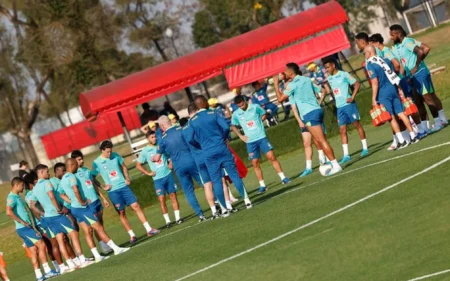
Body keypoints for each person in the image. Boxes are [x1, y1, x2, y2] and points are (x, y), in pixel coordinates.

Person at [273, 63, 343, 176]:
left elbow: (280, 99)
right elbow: (322, 90)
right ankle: (327, 162)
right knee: (319, 140)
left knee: (321, 140)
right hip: (317, 110)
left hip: (309, 113)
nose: (284, 73)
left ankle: (335, 165)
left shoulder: (292, 84)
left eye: (286, 71)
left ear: (291, 72)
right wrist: (319, 102)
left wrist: (276, 85)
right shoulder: (306, 79)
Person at [185, 95, 253, 209]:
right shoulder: (213, 113)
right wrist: (224, 137)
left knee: (216, 181)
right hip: (221, 147)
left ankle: (224, 209)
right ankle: (247, 200)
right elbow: (226, 127)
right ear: (203, 103)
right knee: (234, 175)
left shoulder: (193, 121)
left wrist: (200, 145)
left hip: (208, 152)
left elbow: (189, 139)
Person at [60, 158, 130, 261]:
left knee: (88, 231)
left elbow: (62, 194)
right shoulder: (71, 177)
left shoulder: (63, 179)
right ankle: (116, 249)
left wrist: (72, 202)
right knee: (98, 227)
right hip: (82, 208)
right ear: (72, 165)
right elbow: (75, 190)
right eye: (76, 164)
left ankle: (97, 256)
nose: (77, 167)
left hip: (75, 208)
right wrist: (81, 202)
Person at [91, 140, 160, 244]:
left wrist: (127, 178)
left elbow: (123, 166)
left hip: (124, 187)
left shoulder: (116, 156)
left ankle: (149, 229)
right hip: (113, 191)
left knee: (136, 206)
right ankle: (132, 235)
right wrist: (103, 186)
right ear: (102, 150)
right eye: (107, 152)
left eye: (110, 151)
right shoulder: (97, 163)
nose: (110, 154)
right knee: (122, 213)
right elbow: (92, 177)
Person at [369, 32, 428, 146]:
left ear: (376, 43)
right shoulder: (380, 55)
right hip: (394, 82)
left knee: (408, 105)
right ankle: (411, 134)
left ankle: (421, 129)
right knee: (402, 109)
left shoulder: (386, 52)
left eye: (372, 44)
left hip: (397, 82)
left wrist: (397, 77)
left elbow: (396, 64)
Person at [32, 164, 94, 269]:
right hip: (57, 215)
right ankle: (82, 260)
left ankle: (70, 264)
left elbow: (33, 205)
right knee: (73, 234)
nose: (49, 173)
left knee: (60, 240)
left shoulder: (35, 187)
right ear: (41, 172)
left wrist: (43, 213)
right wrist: (59, 208)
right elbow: (51, 196)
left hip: (48, 217)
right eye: (47, 171)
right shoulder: (47, 183)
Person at [389, 24, 448, 131]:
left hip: (420, 73)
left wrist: (417, 65)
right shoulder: (401, 44)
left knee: (427, 97)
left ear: (399, 33)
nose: (391, 37)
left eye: (392, 35)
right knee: (419, 100)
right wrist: (401, 77)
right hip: (412, 76)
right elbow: (404, 63)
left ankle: (439, 121)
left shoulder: (407, 42)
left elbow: (422, 51)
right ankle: (431, 124)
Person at [183, 104, 237, 216]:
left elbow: (188, 142)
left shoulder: (186, 126)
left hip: (198, 159)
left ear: (188, 114)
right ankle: (227, 206)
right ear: (197, 110)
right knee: (221, 181)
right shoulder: (199, 121)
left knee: (207, 185)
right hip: (209, 154)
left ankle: (214, 211)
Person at [151, 116, 208, 221]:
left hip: (179, 167)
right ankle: (216, 204)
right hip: (192, 161)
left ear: (162, 126)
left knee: (189, 191)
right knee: (205, 184)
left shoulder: (162, 139)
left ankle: (200, 215)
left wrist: (153, 158)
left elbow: (157, 157)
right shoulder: (181, 129)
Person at [231, 95, 290, 194]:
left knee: (272, 157)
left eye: (242, 105)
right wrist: (241, 136)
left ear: (245, 101)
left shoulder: (255, 107)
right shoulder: (236, 114)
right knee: (255, 163)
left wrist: (259, 122)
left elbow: (264, 114)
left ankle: (283, 178)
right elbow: (233, 126)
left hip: (261, 137)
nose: (242, 107)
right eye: (239, 106)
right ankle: (262, 185)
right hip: (250, 141)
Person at [364, 45, 419, 148]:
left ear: (369, 52)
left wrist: (373, 98)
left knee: (391, 117)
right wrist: (399, 88)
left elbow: (374, 82)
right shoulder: (385, 59)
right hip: (393, 88)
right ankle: (413, 135)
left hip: (383, 92)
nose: (365, 55)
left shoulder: (370, 64)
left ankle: (401, 140)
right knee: (401, 113)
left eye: (365, 53)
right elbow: (393, 74)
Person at [6, 177, 60, 280]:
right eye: (22, 185)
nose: (23, 188)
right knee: (42, 245)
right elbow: (9, 212)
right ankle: (48, 270)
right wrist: (22, 221)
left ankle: (39, 275)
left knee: (34, 250)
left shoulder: (17, 196)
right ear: (16, 185)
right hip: (24, 228)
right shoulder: (11, 198)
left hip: (26, 228)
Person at [323, 57, 369, 164]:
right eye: (326, 68)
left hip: (349, 105)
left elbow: (356, 84)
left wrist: (352, 97)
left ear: (333, 65)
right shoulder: (329, 78)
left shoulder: (344, 74)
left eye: (328, 67)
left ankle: (365, 148)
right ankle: (346, 155)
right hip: (339, 108)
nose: (327, 69)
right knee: (342, 130)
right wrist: (325, 87)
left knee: (357, 125)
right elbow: (331, 91)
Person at [24, 171, 69, 274]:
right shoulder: (31, 194)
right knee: (54, 242)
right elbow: (34, 209)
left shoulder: (33, 191)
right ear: (33, 181)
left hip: (46, 220)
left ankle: (59, 266)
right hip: (42, 222)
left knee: (53, 243)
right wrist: (43, 217)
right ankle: (60, 266)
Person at [136, 130, 183, 227]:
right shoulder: (145, 151)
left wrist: (170, 163)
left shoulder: (161, 145)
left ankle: (178, 218)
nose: (154, 139)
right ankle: (168, 221)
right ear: (147, 139)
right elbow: (138, 165)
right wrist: (148, 173)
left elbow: (170, 155)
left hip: (168, 174)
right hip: (157, 179)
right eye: (152, 137)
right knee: (162, 200)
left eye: (155, 137)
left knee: (173, 196)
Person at [71, 150, 113, 254]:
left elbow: (93, 184)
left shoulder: (87, 170)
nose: (82, 161)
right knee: (90, 229)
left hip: (96, 201)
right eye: (79, 160)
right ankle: (99, 249)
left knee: (100, 225)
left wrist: (103, 198)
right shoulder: (73, 175)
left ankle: (104, 246)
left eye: (82, 159)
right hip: (87, 205)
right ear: (74, 161)